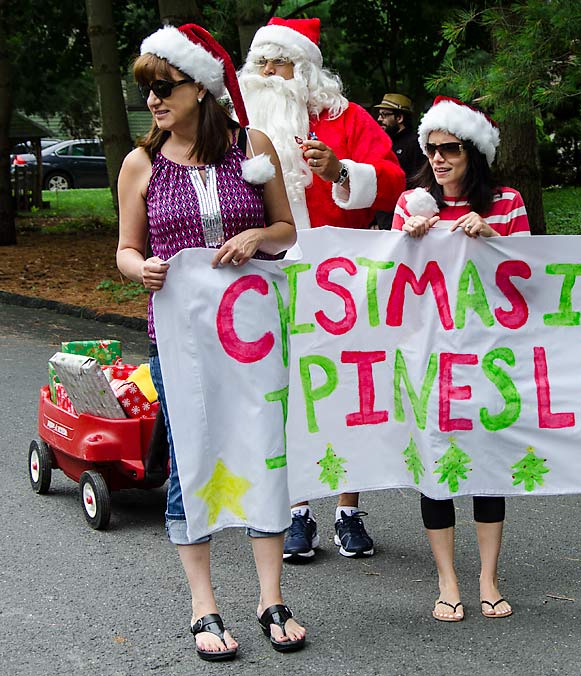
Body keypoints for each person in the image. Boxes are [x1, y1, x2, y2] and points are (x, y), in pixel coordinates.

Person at [116, 24, 305, 661]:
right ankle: (204, 605)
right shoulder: (140, 164)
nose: (153, 102)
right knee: (191, 455)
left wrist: (256, 238)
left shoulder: (251, 148)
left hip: (252, 335)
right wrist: (136, 268)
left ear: (200, 85)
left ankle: (270, 597)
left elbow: (286, 230)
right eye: (145, 91)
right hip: (179, 340)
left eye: (162, 87)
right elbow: (125, 248)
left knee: (262, 450)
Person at [239, 17, 405, 560]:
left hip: (341, 277)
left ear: (305, 69)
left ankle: (348, 510)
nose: (266, 72)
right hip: (267, 272)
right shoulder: (237, 125)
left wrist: (341, 170)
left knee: (345, 391)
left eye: (278, 62)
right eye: (260, 62)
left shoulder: (348, 118)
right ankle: (295, 512)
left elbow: (394, 183)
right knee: (282, 393)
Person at [393, 96, 530, 622]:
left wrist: (493, 236)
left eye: (450, 149)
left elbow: (535, 273)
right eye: (432, 149)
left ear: (473, 152)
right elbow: (391, 280)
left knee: (487, 468)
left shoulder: (507, 202)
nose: (439, 159)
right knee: (437, 463)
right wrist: (406, 241)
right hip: (429, 356)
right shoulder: (412, 205)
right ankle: (447, 580)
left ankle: (488, 578)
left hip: (491, 354)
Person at [373, 93, 427, 230]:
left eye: (384, 115)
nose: (379, 119)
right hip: (382, 220)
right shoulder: (383, 144)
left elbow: (419, 183)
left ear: (400, 117)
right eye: (379, 114)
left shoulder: (415, 144)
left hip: (407, 220)